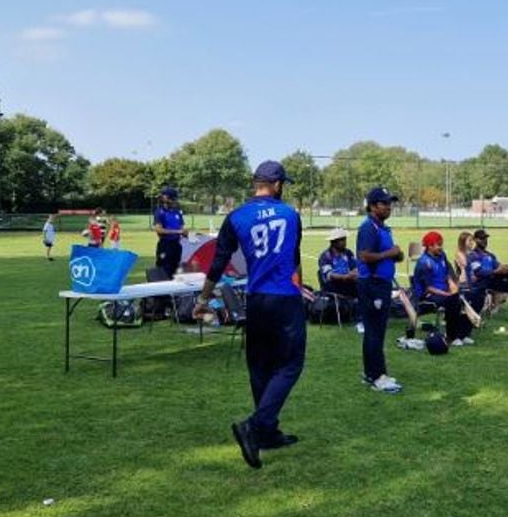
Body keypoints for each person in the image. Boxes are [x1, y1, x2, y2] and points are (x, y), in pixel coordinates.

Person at [195, 161, 305, 469]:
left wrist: (203, 299)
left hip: (256, 299)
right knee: (290, 364)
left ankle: (267, 434)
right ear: (278, 185)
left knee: (259, 367)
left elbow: (218, 262)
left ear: (256, 183)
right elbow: (294, 259)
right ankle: (255, 427)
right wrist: (301, 289)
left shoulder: (236, 217)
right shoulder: (291, 214)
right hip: (285, 298)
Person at [355, 186, 405, 393]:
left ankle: (374, 373)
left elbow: (390, 254)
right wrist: (389, 254)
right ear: (373, 206)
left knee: (377, 330)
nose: (389, 207)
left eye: (390, 203)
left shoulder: (383, 228)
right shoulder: (369, 228)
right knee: (374, 331)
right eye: (384, 203)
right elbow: (364, 256)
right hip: (372, 284)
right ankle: (377, 376)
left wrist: (397, 254)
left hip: (381, 284)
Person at [412, 231, 473, 346]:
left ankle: (462, 334)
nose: (441, 247)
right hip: (428, 295)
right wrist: (447, 294)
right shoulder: (424, 263)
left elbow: (448, 272)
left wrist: (453, 285)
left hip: (444, 291)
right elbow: (428, 288)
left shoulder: (442, 256)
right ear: (430, 246)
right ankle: (451, 337)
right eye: (438, 245)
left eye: (441, 244)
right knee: (453, 300)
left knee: (469, 296)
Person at [465, 229, 508, 326]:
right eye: (482, 239)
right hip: (481, 283)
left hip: (493, 281)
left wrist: (504, 267)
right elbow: (479, 272)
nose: (485, 241)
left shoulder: (489, 255)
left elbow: (497, 265)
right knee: (507, 277)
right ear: (476, 240)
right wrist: (496, 271)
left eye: (486, 238)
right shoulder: (473, 256)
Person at [153, 187, 188, 277]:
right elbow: (158, 229)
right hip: (165, 245)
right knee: (164, 271)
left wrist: (185, 233)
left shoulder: (177, 212)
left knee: (176, 271)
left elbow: (182, 228)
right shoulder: (160, 212)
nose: (175, 201)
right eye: (173, 199)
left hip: (176, 245)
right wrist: (177, 232)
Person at [318, 228, 359, 299]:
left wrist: (354, 273)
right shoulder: (325, 256)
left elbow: (354, 267)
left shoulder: (348, 253)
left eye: (345, 239)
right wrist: (345, 277)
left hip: (349, 284)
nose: (345, 242)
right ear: (334, 242)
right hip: (333, 287)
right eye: (342, 240)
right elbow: (329, 275)